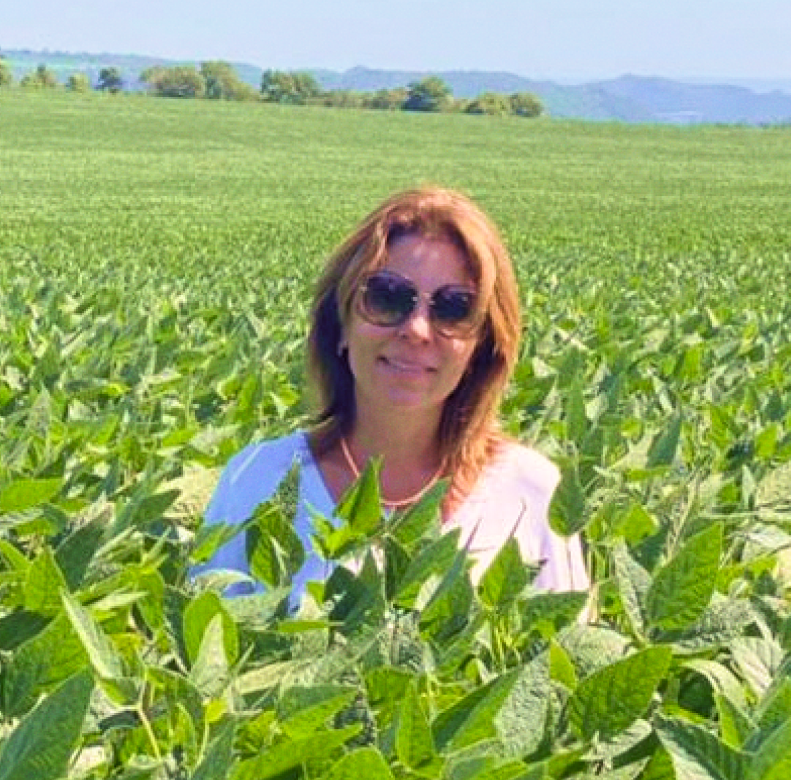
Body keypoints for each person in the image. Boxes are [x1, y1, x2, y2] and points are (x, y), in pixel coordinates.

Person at [192, 187, 589, 607]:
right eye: (387, 297)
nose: (417, 330)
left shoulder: (532, 491)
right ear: (340, 324)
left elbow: (556, 661)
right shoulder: (256, 480)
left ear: (481, 345)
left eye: (454, 308)